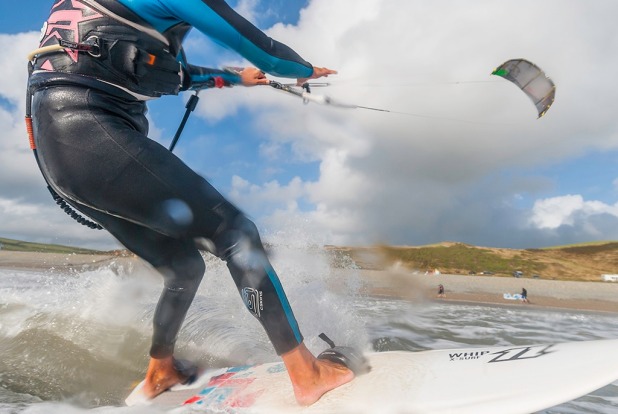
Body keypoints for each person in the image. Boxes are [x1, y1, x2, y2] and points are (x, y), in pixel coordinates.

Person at [27, 0, 365, 406]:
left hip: (60, 156)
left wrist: (237, 80)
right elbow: (269, 53)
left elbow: (165, 72)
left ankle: (160, 371)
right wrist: (305, 70)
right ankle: (307, 375)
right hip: (92, 132)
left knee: (183, 266)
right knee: (236, 233)